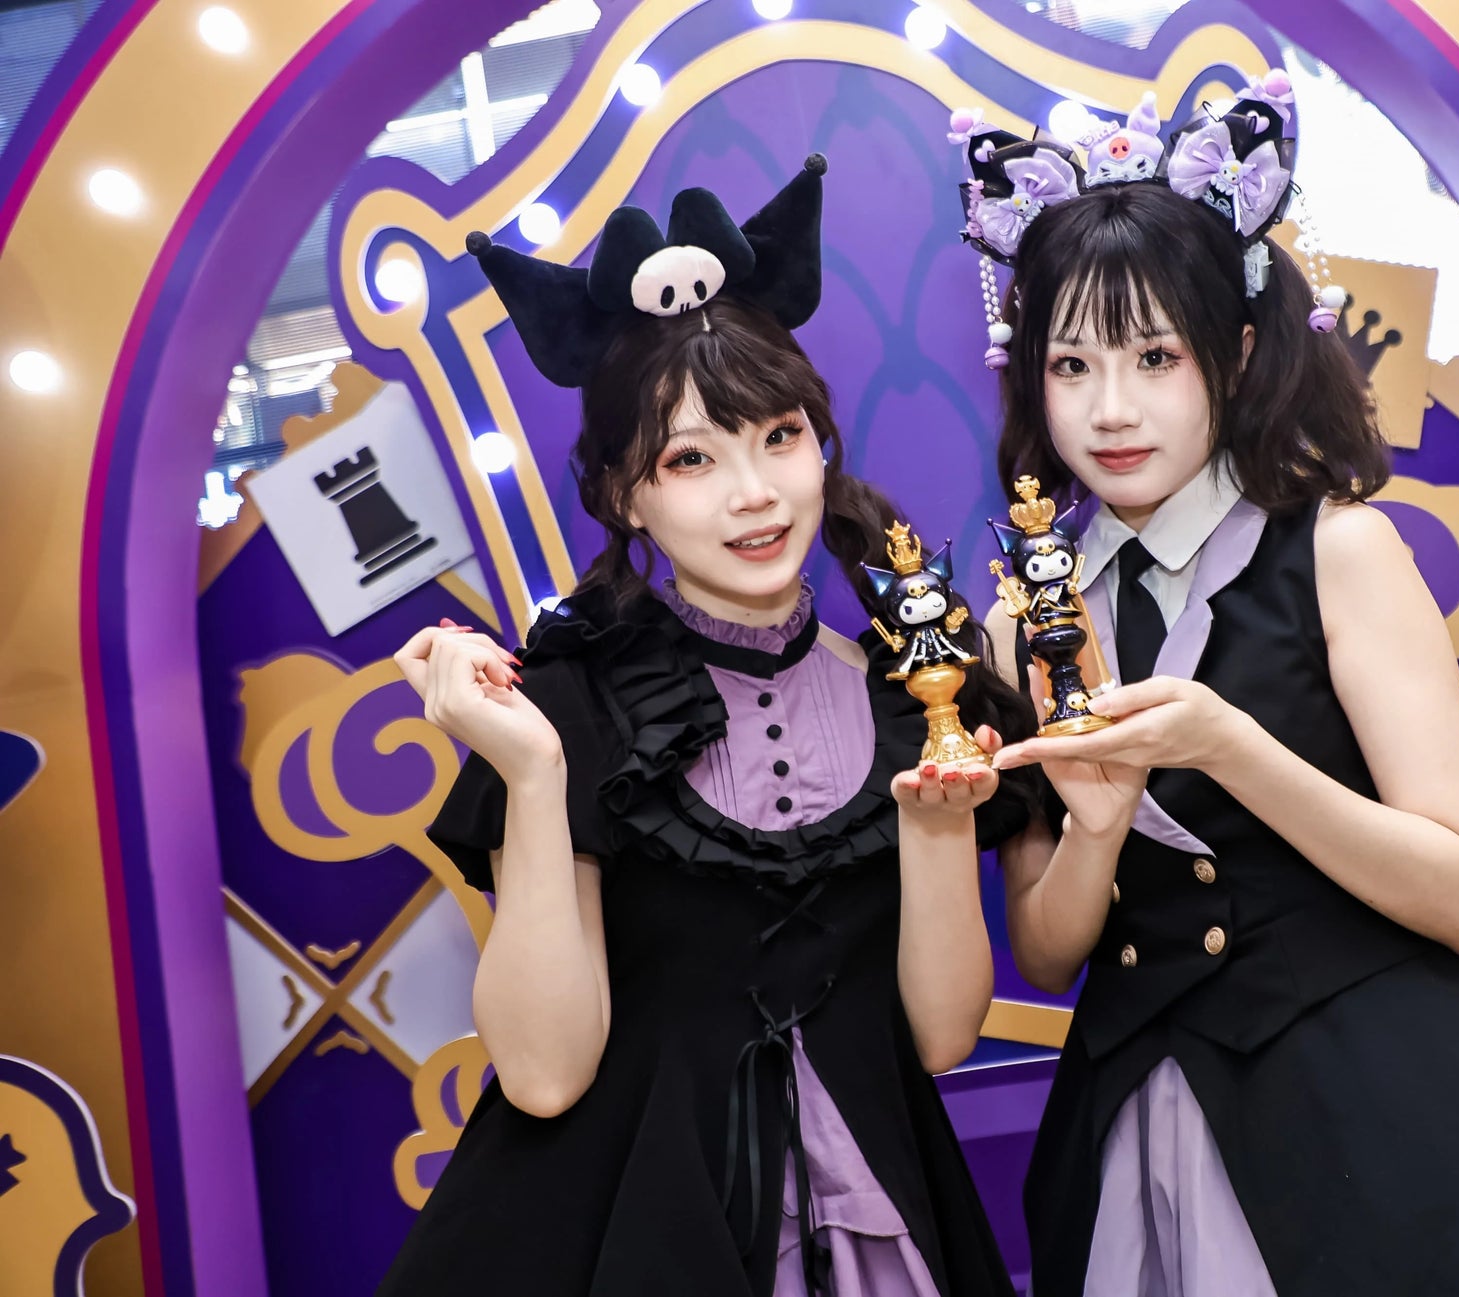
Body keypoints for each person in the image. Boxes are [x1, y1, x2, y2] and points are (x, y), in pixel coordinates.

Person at [947, 83, 1459, 1296]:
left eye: (1154, 357)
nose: (1110, 408)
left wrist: (1230, 746)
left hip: (1399, 1102)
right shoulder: (1019, 624)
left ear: (1235, 352)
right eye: (1071, 363)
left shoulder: (1338, 549)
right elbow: (1048, 958)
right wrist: (1097, 830)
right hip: (1157, 1132)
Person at [380, 156, 1033, 1297]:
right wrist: (532, 776)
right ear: (622, 494)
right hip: (633, 1231)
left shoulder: (912, 689)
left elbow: (937, 1039)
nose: (754, 492)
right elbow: (541, 1074)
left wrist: (936, 830)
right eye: (692, 457)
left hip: (877, 1227)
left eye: (780, 435)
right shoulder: (571, 707)